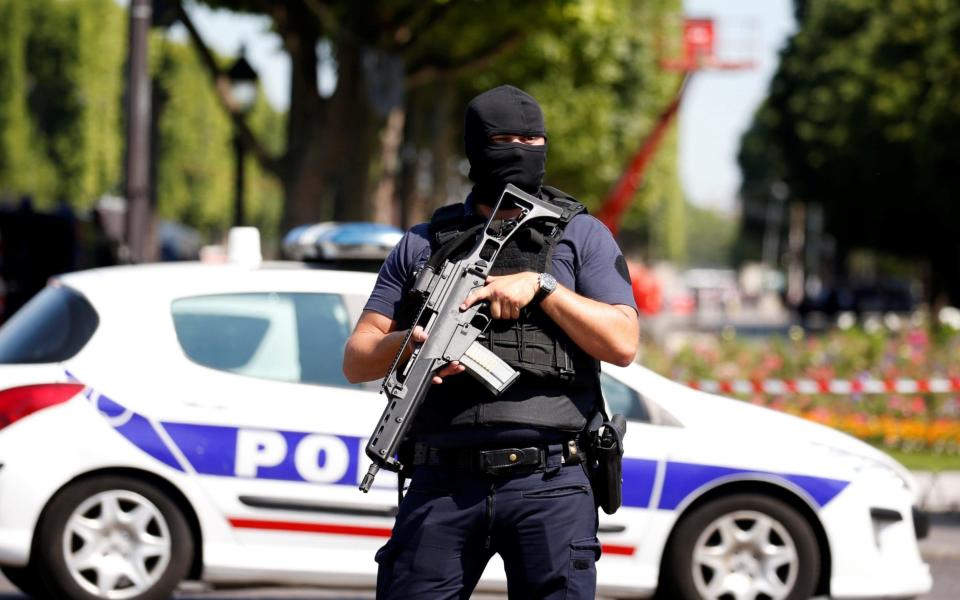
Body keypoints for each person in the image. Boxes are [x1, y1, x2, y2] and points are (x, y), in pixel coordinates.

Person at [343, 84, 639, 599]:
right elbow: (356, 358)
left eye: (534, 139)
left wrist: (542, 289)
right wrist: (410, 345)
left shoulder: (581, 235)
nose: (523, 150)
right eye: (507, 139)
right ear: (478, 148)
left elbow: (622, 342)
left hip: (551, 479)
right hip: (443, 482)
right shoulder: (423, 243)